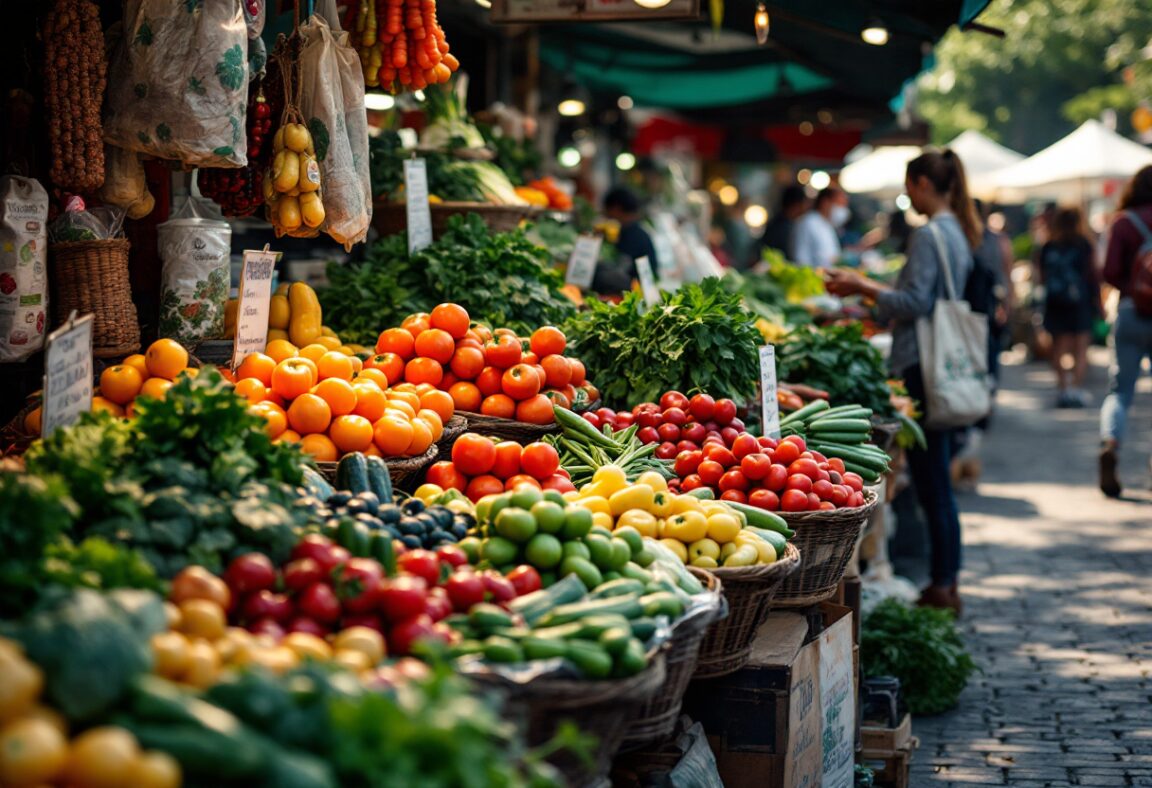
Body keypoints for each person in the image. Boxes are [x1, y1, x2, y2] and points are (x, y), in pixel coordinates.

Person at [824, 150, 982, 614]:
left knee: (934, 482)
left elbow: (914, 301)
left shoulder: (931, 234)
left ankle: (944, 582)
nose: (907, 195)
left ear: (924, 185)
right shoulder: (958, 228)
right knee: (938, 481)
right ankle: (946, 578)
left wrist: (862, 287)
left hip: (922, 365)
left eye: (909, 185)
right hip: (939, 363)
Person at [1098, 165, 1152, 498]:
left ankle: (1111, 440)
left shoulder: (1123, 222)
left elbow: (1109, 272)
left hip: (1131, 312)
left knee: (1120, 390)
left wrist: (1134, 289)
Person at [1038, 207, 1102, 408]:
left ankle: (1063, 388)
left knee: (1058, 348)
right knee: (1081, 349)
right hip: (1080, 301)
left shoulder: (1048, 246)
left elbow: (1042, 276)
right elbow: (1093, 275)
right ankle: (1075, 388)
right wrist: (1098, 303)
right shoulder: (1084, 245)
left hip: (1056, 301)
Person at [596, 186, 659, 295]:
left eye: (607, 211)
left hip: (628, 297)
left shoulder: (635, 237)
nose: (606, 216)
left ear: (616, 209)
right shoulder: (640, 234)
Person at [790, 186, 848, 268]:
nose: (842, 209)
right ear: (825, 202)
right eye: (839, 204)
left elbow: (833, 256)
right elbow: (800, 258)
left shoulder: (827, 224)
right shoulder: (807, 223)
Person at [758, 185, 808, 261]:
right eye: (804, 203)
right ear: (796, 205)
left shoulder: (787, 223)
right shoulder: (780, 227)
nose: (805, 208)